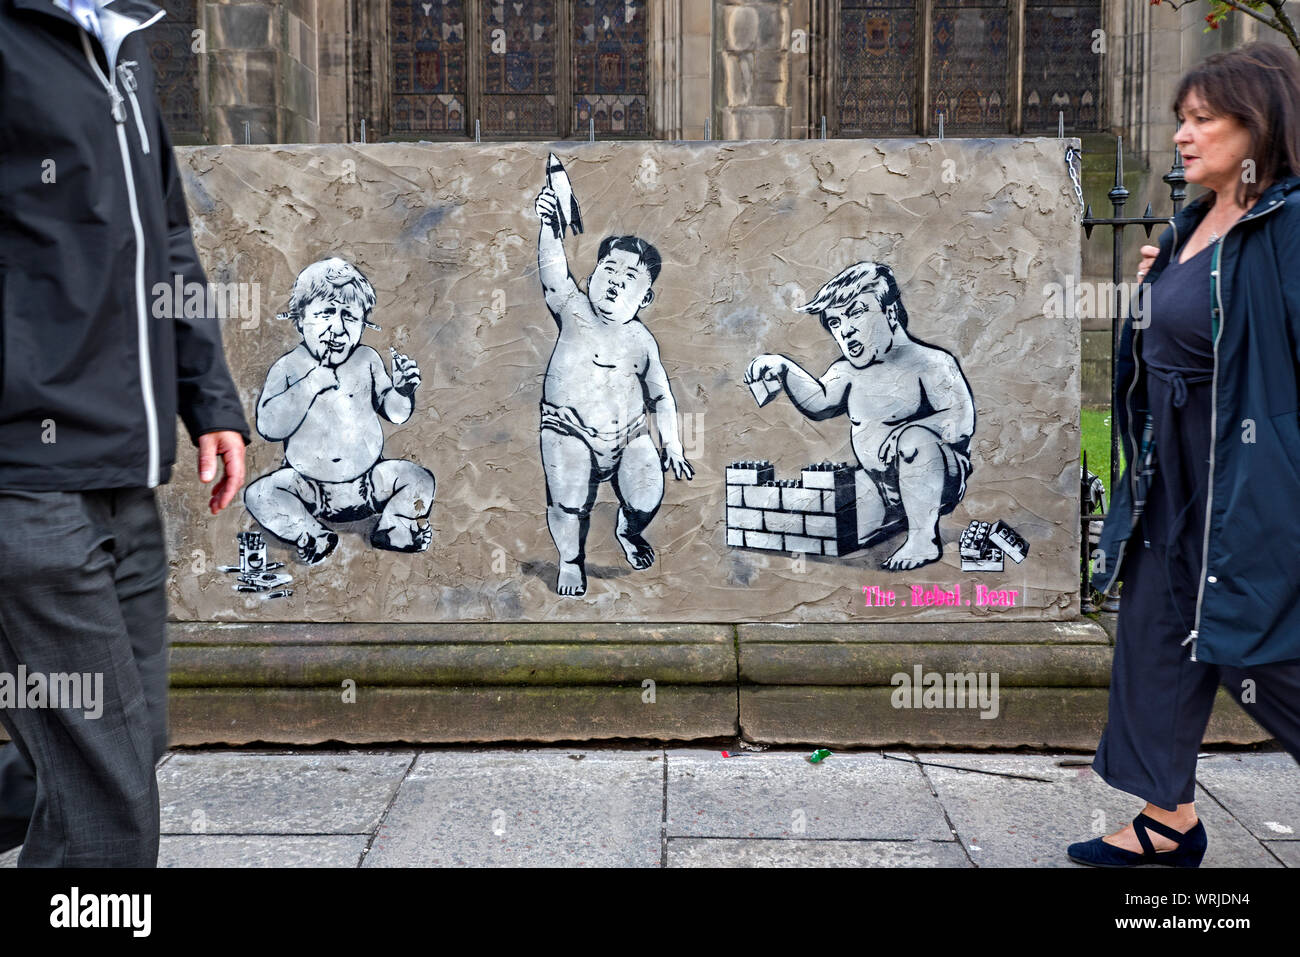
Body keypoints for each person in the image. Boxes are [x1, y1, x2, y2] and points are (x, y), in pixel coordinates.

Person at [0, 0, 248, 866]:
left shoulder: (122, 44)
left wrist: (208, 400)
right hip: (27, 481)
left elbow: (166, 235)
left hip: (125, 466)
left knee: (125, 744)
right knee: (110, 812)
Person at [1069, 43, 1300, 868]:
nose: (1182, 136)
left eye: (1204, 119)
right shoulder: (1192, 222)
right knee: (1156, 631)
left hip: (1247, 474)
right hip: (1173, 465)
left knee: (1263, 650)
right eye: (1181, 119)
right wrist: (1164, 277)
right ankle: (1166, 820)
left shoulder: (1289, 223)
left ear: (1260, 123)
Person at [745, 261, 975, 570]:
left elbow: (961, 421)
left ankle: (923, 538)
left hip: (939, 478)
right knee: (841, 529)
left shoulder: (930, 363)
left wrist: (911, 430)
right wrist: (784, 369)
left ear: (890, 312)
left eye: (856, 313)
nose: (846, 330)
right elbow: (818, 402)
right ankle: (895, 519)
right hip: (877, 482)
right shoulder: (846, 372)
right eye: (835, 322)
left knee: (914, 440)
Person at [534, 185, 694, 598]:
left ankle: (627, 529)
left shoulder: (641, 341)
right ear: (590, 277)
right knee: (569, 502)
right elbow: (552, 272)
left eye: (629, 279)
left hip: (628, 435)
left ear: (645, 296)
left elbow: (661, 396)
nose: (614, 283)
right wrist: (550, 224)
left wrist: (673, 444)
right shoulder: (573, 308)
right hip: (567, 429)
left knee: (647, 495)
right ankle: (571, 561)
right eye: (609, 270)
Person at [244, 257, 435, 564]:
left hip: (369, 483)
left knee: (419, 479)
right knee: (259, 495)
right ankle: (312, 534)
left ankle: (393, 527)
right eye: (325, 314)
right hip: (309, 488)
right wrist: (308, 386)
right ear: (300, 318)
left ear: (363, 323)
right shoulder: (290, 367)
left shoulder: (367, 360)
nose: (337, 327)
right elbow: (269, 426)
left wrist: (402, 391)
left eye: (349, 316)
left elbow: (396, 413)